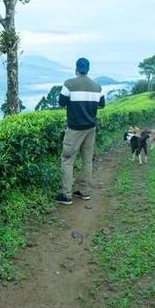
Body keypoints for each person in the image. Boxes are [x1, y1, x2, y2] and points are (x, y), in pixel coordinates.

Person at [55, 57, 105, 205]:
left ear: (76, 69)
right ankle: (85, 192)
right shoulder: (97, 87)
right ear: (88, 70)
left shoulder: (69, 84)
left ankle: (66, 195)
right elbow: (102, 105)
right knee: (87, 160)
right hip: (90, 128)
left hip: (74, 129)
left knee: (67, 160)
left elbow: (61, 102)